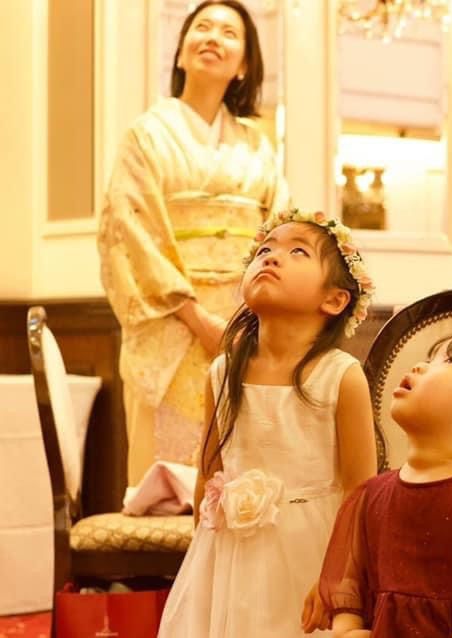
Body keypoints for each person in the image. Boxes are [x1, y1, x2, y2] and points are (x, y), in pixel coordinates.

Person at [158, 210, 378, 638]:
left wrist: (339, 577)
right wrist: (205, 562)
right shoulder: (223, 372)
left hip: (311, 551)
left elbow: (359, 493)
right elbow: (209, 474)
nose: (271, 257)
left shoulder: (341, 376)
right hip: (230, 551)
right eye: (264, 249)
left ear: (334, 300)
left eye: (298, 252)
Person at [97, 0, 290, 484]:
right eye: (202, 27)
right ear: (181, 52)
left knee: (240, 480)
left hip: (244, 323)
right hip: (170, 326)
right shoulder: (147, 136)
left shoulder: (258, 146)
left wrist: (248, 318)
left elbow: (280, 232)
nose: (213, 38)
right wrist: (196, 317)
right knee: (169, 481)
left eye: (229, 33)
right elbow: (130, 234)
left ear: (244, 65)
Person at [301, 333, 452, 638]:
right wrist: (347, 629)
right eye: (430, 358)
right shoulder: (371, 494)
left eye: (448, 360)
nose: (419, 366)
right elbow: (351, 579)